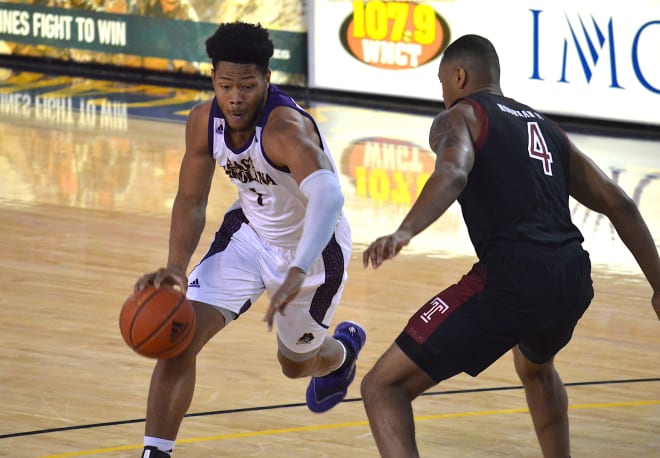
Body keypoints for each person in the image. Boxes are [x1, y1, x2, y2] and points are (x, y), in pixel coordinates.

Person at [360, 34, 660, 458]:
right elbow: (620, 202)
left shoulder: (459, 116)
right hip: (573, 277)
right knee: (535, 366)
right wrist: (658, 285)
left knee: (382, 387)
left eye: (443, 82)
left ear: (459, 76)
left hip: (513, 278)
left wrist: (405, 231)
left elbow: (452, 172)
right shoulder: (546, 128)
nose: (442, 93)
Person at [134, 22, 366, 458]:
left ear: (266, 80)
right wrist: (175, 270)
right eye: (225, 85)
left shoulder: (284, 129)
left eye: (246, 85)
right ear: (213, 82)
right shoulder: (205, 122)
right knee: (178, 334)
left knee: (295, 367)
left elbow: (330, 196)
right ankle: (155, 452)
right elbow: (190, 200)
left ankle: (341, 354)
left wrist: (299, 267)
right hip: (247, 236)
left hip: (313, 251)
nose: (235, 97)